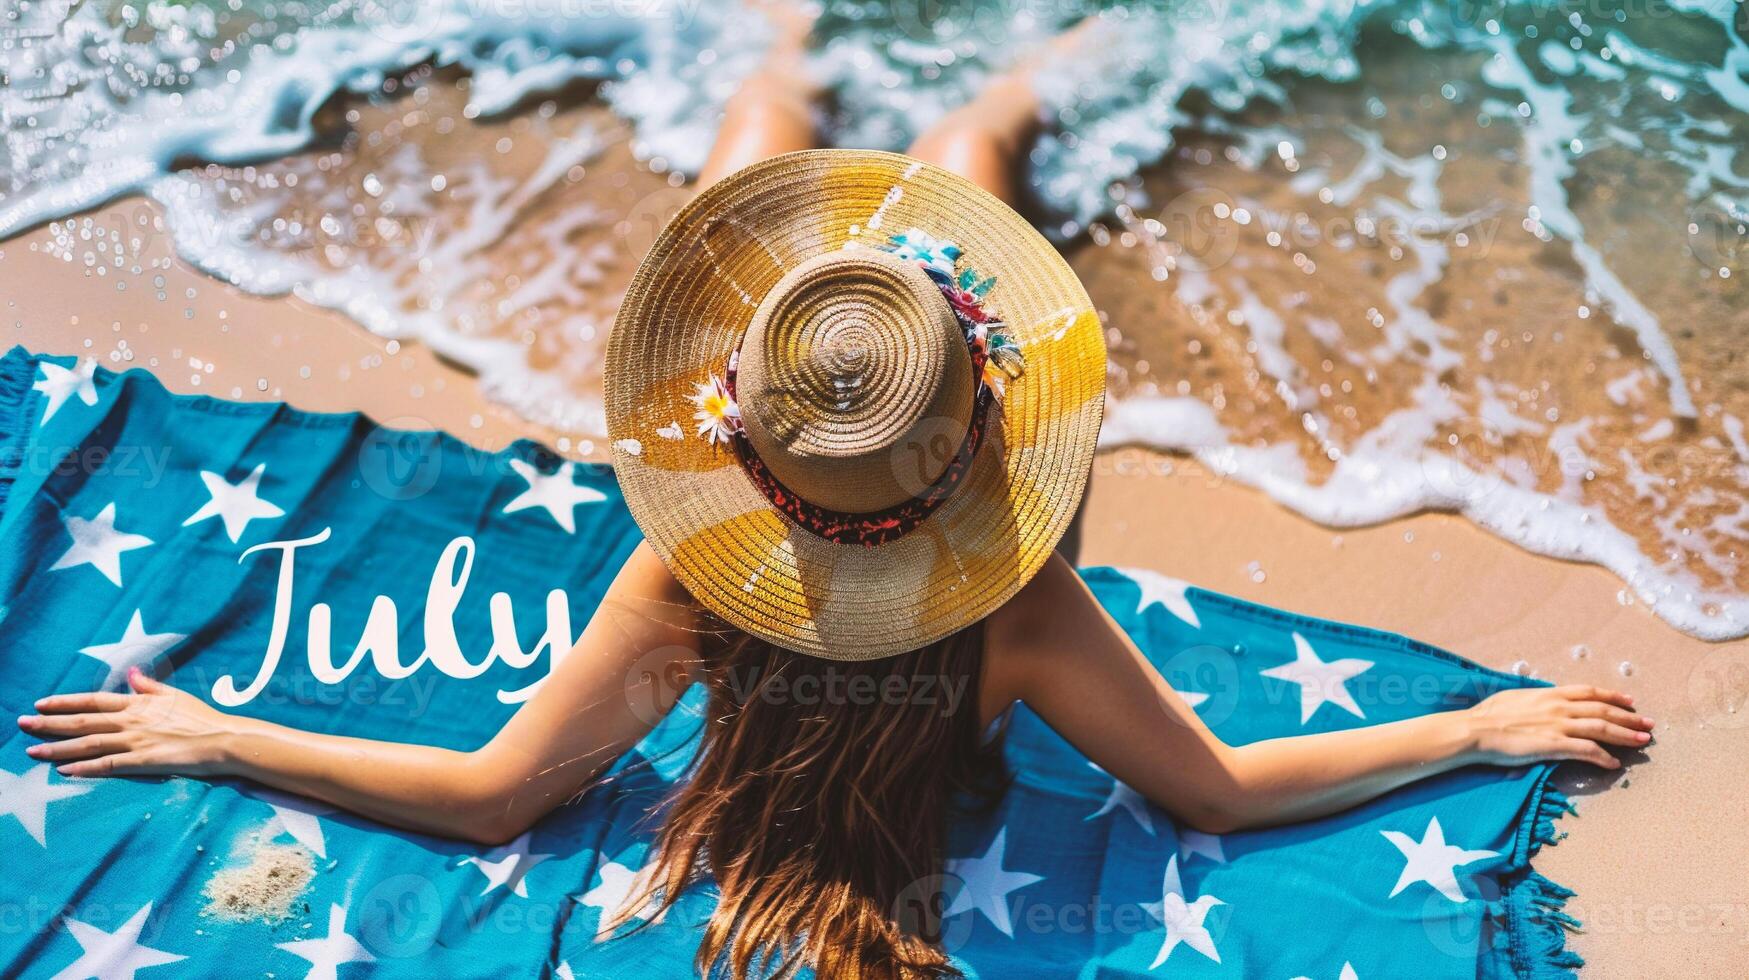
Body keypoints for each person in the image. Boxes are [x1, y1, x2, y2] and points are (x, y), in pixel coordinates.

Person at [17, 10, 1651, 980]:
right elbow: (1219, 792)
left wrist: (212, 733)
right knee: (967, 153)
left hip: (839, 444)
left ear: (741, 458)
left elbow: (493, 796)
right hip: (884, 444)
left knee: (746, 173)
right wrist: (1474, 730)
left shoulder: (684, 579)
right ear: (987, 421)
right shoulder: (1015, 595)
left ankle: (783, 40)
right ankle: (1034, 68)